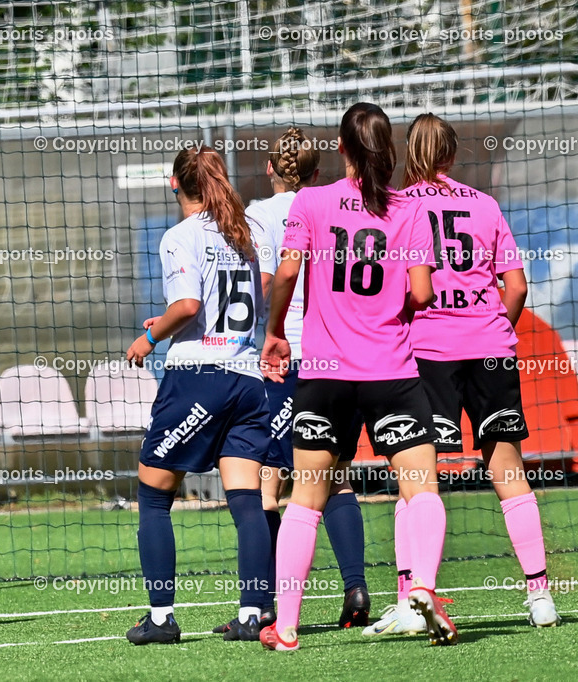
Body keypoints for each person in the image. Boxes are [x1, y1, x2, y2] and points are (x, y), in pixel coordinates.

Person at [260, 102, 455, 651]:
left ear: (342, 149)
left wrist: (275, 331)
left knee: (305, 499)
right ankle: (423, 587)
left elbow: (290, 271)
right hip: (391, 369)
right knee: (422, 488)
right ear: (386, 149)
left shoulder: (311, 202)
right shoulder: (408, 210)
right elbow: (422, 292)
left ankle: (289, 625)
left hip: (325, 373)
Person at [362, 112, 558, 635]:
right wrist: (495, 331)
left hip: (425, 352)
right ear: (450, 155)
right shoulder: (486, 205)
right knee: (508, 472)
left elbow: (392, 285)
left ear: (411, 154)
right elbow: (514, 288)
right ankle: (540, 595)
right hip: (490, 348)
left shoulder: (398, 208)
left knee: (415, 479)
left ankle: (409, 598)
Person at [216, 128, 370, 633]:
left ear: (268, 169)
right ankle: (355, 587)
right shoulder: (334, 203)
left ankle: (263, 606)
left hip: (283, 357)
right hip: (336, 352)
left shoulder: (257, 215)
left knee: (268, 482)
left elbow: (263, 282)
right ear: (316, 171)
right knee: (338, 475)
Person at [123, 147, 272, 645]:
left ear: (174, 183)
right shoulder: (250, 232)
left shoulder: (180, 237)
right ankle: (253, 613)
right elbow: (263, 289)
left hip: (198, 377)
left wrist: (151, 337)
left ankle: (161, 619)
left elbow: (186, 305)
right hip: (249, 379)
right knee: (247, 500)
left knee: (152, 495)